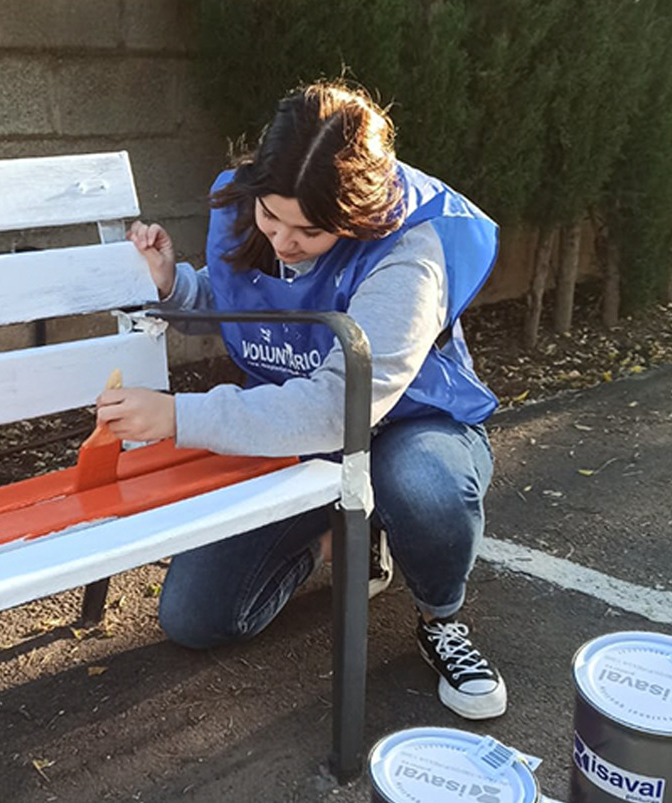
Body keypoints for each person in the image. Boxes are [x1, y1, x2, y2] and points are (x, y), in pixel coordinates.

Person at [99, 80, 505, 720]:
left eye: (310, 232)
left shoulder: (410, 250)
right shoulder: (252, 204)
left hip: (408, 422)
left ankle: (440, 616)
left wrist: (180, 417)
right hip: (299, 426)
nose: (284, 242)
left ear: (359, 218)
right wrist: (175, 286)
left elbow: (338, 404)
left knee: (424, 486)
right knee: (196, 617)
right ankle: (346, 533)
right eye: (271, 217)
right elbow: (251, 315)